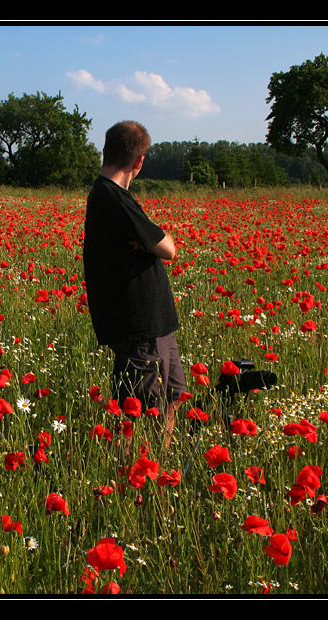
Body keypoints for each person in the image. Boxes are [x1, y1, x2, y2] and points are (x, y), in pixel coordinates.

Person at [83, 120, 186, 452]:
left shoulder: (115, 198)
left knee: (172, 395)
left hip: (155, 324)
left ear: (105, 150)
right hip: (139, 327)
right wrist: (153, 241)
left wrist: (148, 242)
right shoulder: (111, 198)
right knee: (138, 411)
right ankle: (134, 477)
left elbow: (154, 243)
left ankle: (161, 463)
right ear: (139, 161)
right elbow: (168, 247)